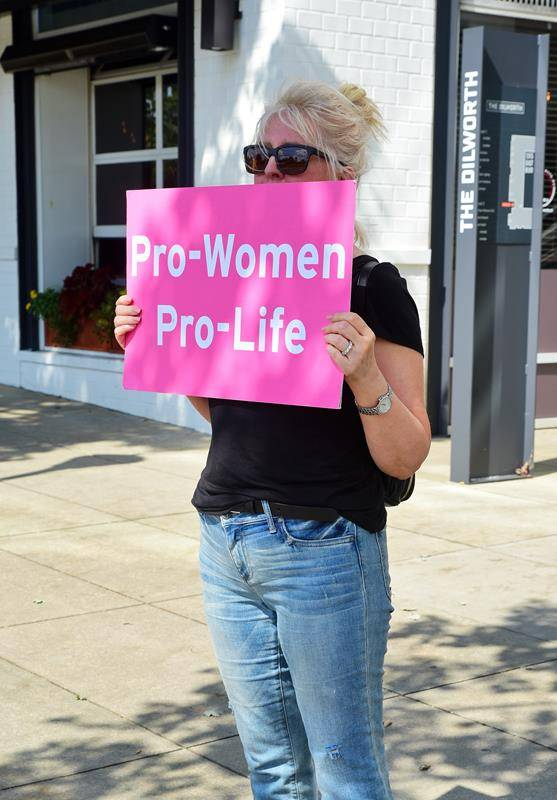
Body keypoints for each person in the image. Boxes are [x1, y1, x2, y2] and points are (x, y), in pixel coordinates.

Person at [114, 80, 431, 800]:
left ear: (341, 173)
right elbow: (222, 415)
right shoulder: (233, 274)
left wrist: (362, 378)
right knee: (273, 770)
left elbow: (406, 454)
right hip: (225, 538)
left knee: (344, 769)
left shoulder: (372, 287)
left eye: (291, 157)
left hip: (323, 547)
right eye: (258, 156)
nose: (266, 173)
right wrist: (153, 342)